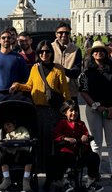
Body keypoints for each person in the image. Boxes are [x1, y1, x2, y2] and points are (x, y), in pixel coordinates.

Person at [10, 40, 71, 175]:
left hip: (53, 112)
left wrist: (68, 109)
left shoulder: (58, 70)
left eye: (47, 51)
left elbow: (65, 92)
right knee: (38, 142)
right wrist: (17, 85)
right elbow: (29, 86)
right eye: (41, 52)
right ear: (38, 53)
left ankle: (52, 172)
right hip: (37, 111)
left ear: (51, 53)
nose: (44, 54)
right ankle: (38, 168)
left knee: (51, 143)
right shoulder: (35, 68)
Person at [0, 29, 29, 174]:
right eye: (4, 38)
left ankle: (14, 157)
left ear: (13, 40)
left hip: (14, 99)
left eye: (9, 38)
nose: (7, 40)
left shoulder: (19, 58)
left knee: (15, 128)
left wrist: (20, 93)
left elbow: (25, 80)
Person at [79, 41, 112, 187]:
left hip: (111, 108)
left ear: (106, 53)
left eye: (101, 51)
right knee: (96, 143)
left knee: (111, 143)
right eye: (96, 51)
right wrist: (94, 106)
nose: (99, 53)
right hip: (94, 109)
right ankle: (94, 172)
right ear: (92, 54)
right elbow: (83, 91)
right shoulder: (87, 72)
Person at [46, 101, 104, 192]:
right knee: (52, 162)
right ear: (65, 113)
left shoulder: (81, 124)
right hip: (67, 153)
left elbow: (86, 134)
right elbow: (56, 136)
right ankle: (64, 182)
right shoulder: (62, 123)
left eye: (75, 110)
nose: (74, 113)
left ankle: (90, 183)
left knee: (94, 157)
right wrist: (65, 138)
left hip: (81, 153)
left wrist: (85, 137)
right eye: (71, 111)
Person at [0, 118, 34, 192]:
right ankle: (6, 178)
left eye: (8, 125)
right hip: (11, 153)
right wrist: (5, 143)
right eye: (5, 128)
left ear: (14, 124)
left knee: (29, 157)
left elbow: (27, 137)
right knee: (2, 157)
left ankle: (26, 179)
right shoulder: (7, 135)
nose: (7, 128)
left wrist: (17, 139)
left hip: (22, 151)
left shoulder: (22, 130)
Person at [52, 22, 82, 105]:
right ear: (56, 34)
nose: (63, 35)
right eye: (61, 33)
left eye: (66, 33)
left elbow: (77, 71)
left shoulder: (76, 49)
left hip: (71, 91)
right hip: (54, 91)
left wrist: (63, 70)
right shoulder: (49, 48)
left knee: (72, 117)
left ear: (70, 34)